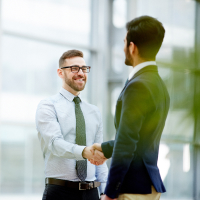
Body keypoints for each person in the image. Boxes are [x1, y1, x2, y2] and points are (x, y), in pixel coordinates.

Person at [90, 16, 170, 200]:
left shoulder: (138, 86)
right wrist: (105, 148)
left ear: (132, 47)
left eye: (124, 42)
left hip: (132, 189)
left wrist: (110, 193)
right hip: (148, 187)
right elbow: (140, 139)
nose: (123, 47)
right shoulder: (159, 84)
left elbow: (127, 143)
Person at [35, 49, 108, 200]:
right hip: (60, 192)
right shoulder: (48, 106)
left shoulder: (94, 111)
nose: (81, 73)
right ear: (60, 73)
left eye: (84, 68)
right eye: (74, 68)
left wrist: (106, 192)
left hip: (92, 193)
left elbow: (99, 159)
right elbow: (55, 144)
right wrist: (84, 151)